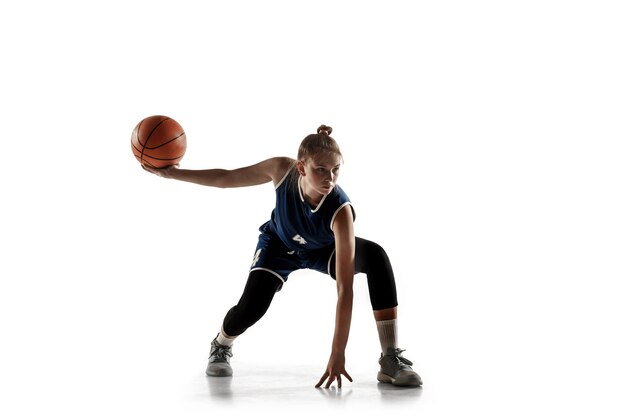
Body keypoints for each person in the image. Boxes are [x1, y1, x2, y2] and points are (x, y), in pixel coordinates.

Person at [143, 125, 422, 388]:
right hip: (279, 245)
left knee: (375, 256)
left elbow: (345, 289)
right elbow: (226, 177)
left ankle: (390, 359)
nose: (330, 178)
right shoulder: (281, 170)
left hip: (322, 249)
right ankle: (222, 344)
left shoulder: (341, 211)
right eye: (321, 169)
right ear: (301, 167)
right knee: (251, 308)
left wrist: (338, 352)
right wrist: (172, 173)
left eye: (336, 170)